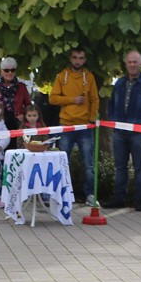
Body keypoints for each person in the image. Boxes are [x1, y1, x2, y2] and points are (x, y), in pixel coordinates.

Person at [106, 50, 141, 211]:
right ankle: (119, 198)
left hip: (138, 132)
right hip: (119, 131)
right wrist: (112, 119)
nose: (132, 65)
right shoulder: (119, 83)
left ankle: (140, 200)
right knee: (120, 167)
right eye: (129, 62)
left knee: (139, 166)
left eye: (135, 62)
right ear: (125, 64)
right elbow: (111, 103)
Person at [50, 46, 100, 206]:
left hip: (85, 127)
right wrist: (72, 100)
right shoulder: (62, 76)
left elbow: (95, 99)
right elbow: (52, 98)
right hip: (65, 125)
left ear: (85, 60)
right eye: (75, 57)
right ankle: (59, 194)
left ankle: (90, 195)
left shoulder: (89, 76)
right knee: (62, 163)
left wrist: (92, 119)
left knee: (89, 164)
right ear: (70, 59)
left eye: (81, 58)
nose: (78, 61)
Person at [0, 56, 33, 141]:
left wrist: (24, 115)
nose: (9, 73)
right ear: (1, 71)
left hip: (17, 124)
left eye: (12, 70)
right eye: (6, 70)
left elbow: (28, 105)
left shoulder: (22, 87)